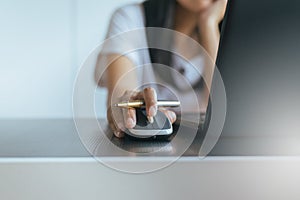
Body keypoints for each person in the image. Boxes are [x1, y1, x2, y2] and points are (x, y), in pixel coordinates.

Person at [95, 0, 227, 137]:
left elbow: (224, 112)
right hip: (147, 150)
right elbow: (121, 92)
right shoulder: (130, 18)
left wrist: (209, 26)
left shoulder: (241, 32)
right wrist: (129, 104)